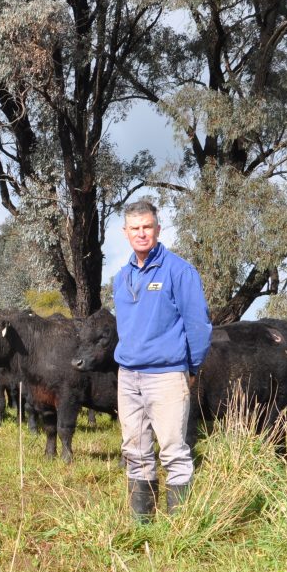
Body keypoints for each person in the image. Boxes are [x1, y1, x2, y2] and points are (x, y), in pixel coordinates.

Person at [112, 199, 211, 522]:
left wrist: (191, 368)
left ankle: (180, 526)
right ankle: (143, 525)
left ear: (158, 229)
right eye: (135, 228)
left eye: (147, 227)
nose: (142, 234)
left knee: (173, 450)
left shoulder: (179, 271)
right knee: (135, 450)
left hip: (166, 376)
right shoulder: (121, 278)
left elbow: (198, 326)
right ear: (125, 233)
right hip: (128, 376)